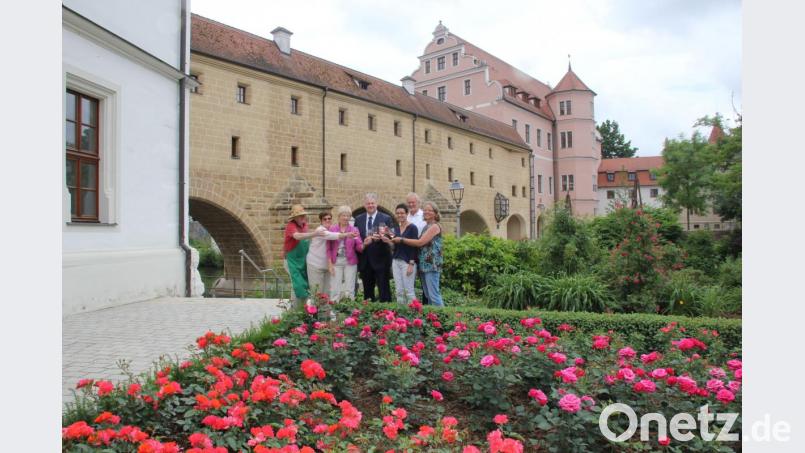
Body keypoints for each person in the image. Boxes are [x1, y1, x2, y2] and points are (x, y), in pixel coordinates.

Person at [392, 201, 444, 307]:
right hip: (424, 264)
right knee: (428, 295)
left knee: (434, 295)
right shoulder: (426, 226)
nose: (426, 212)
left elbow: (420, 242)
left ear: (435, 213)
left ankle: (444, 317)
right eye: (425, 210)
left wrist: (401, 239)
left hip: (432, 265)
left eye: (430, 210)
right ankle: (433, 318)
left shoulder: (434, 226)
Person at [283, 204, 326, 309]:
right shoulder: (291, 225)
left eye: (303, 215)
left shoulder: (304, 225)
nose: (303, 217)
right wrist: (315, 233)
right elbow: (297, 236)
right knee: (297, 285)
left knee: (305, 285)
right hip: (291, 261)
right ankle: (294, 311)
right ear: (294, 217)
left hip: (303, 261)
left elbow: (308, 241)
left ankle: (303, 309)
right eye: (300, 216)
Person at [306, 210, 356, 299]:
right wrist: (347, 234)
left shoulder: (331, 229)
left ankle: (325, 312)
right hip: (315, 265)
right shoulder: (320, 230)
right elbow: (332, 236)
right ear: (321, 221)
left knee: (326, 293)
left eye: (329, 218)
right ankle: (313, 312)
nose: (327, 220)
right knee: (316, 292)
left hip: (326, 265)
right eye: (325, 219)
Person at [353, 193, 393, 302]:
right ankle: (369, 313)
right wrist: (363, 243)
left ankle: (387, 314)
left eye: (372, 203)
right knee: (368, 292)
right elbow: (356, 238)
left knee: (384, 290)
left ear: (377, 204)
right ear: (364, 205)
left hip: (381, 259)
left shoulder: (386, 218)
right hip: (365, 260)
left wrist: (383, 236)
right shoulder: (358, 218)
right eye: (368, 203)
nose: (370, 205)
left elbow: (392, 236)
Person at [381, 203, 419, 304]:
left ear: (407, 214)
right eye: (397, 213)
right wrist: (388, 241)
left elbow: (414, 247)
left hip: (407, 262)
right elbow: (395, 247)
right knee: (399, 291)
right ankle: (401, 317)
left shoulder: (412, 228)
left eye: (402, 213)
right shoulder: (397, 228)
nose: (399, 215)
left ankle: (415, 315)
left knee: (409, 291)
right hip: (396, 261)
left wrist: (411, 264)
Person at [327, 205, 363, 301]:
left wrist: (365, 245)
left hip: (350, 262)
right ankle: (333, 313)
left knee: (350, 290)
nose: (346, 218)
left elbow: (359, 246)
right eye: (343, 215)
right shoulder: (332, 229)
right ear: (338, 217)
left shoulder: (354, 230)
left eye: (348, 216)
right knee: (335, 290)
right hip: (336, 262)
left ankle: (351, 313)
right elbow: (328, 248)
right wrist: (330, 264)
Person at [405, 192, 428, 304]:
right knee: (409, 282)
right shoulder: (406, 216)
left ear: (418, 203)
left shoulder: (424, 216)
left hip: (422, 252)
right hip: (409, 253)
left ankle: (426, 306)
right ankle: (412, 306)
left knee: (425, 282)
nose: (411, 204)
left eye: (413, 202)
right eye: (409, 203)